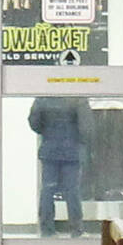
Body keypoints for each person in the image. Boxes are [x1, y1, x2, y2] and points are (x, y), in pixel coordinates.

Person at [28, 95, 92, 237]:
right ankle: (76, 229)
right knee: (72, 191)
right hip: (72, 151)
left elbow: (34, 122)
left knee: (47, 190)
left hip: (49, 149)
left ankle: (47, 230)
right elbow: (86, 126)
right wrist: (80, 142)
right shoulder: (78, 97)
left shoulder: (43, 97)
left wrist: (48, 133)